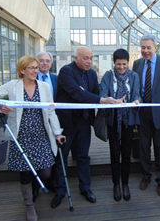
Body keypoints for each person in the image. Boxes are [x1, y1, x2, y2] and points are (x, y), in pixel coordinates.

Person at [0, 55, 64, 221]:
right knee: (25, 173)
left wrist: (57, 132)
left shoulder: (44, 87)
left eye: (36, 67)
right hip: (21, 137)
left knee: (46, 172)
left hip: (41, 135)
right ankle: (29, 205)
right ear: (22, 70)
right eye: (31, 68)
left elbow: (50, 111)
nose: (35, 70)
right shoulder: (13, 86)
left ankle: (34, 188)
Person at [52, 46, 125, 208]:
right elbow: (77, 94)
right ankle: (60, 190)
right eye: (85, 58)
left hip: (85, 121)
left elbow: (94, 94)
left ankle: (85, 187)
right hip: (66, 124)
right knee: (62, 157)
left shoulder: (92, 73)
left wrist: (99, 98)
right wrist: (98, 99)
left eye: (91, 58)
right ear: (76, 58)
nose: (89, 61)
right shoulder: (66, 72)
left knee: (83, 156)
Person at [132, 33, 160, 197]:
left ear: (155, 47)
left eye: (148, 47)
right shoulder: (136, 64)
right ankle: (145, 176)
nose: (145, 51)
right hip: (142, 113)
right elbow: (135, 88)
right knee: (143, 147)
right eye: (143, 47)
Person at [100, 49, 142, 202]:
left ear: (128, 63)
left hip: (128, 119)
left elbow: (137, 94)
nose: (122, 67)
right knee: (114, 152)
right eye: (119, 64)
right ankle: (115, 184)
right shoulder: (108, 76)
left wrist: (137, 101)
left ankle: (125, 183)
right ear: (114, 62)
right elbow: (102, 95)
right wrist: (110, 100)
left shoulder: (134, 76)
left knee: (126, 152)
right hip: (113, 119)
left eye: (124, 64)